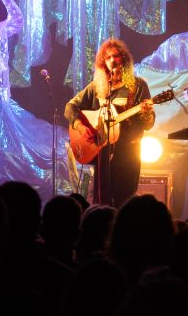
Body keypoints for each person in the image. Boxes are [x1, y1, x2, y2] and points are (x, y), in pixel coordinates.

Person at [64, 38, 155, 206]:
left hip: (128, 155)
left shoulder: (138, 86)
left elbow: (148, 124)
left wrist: (147, 113)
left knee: (124, 202)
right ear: (103, 62)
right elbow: (70, 107)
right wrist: (81, 127)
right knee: (101, 202)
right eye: (108, 57)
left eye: (116, 56)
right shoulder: (97, 87)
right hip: (103, 154)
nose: (112, 60)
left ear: (124, 59)